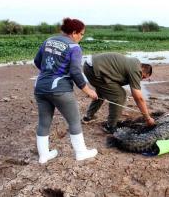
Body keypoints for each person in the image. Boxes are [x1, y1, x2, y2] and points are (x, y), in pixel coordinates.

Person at [34, 18, 98, 164]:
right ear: (74, 33)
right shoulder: (74, 47)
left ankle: (44, 156)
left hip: (40, 87)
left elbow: (37, 61)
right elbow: (75, 71)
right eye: (81, 34)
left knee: (44, 122)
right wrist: (88, 91)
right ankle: (81, 152)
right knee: (74, 121)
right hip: (59, 89)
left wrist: (49, 72)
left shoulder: (48, 41)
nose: (82, 37)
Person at [82, 52, 155, 133]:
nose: (141, 79)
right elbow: (138, 97)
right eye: (143, 77)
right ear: (143, 70)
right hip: (93, 69)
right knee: (120, 95)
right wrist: (147, 118)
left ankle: (88, 117)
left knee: (102, 92)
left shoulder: (134, 62)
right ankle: (110, 126)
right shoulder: (137, 70)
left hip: (91, 66)